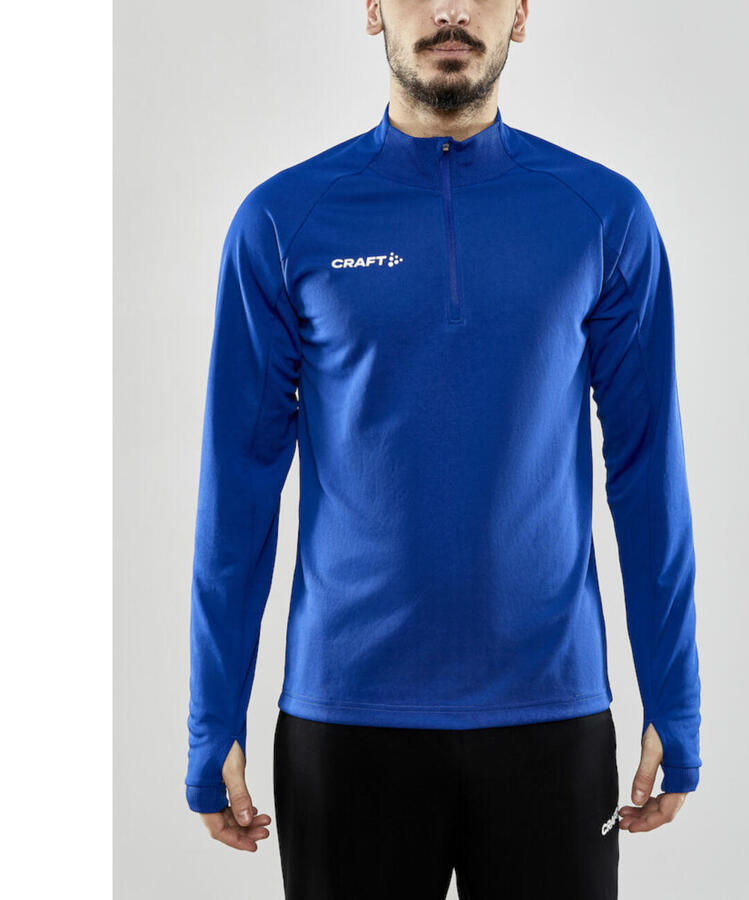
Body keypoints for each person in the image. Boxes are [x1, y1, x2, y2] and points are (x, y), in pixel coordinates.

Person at [184, 2, 702, 897]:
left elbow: (650, 474)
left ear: (522, 14)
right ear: (374, 9)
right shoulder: (282, 220)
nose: (453, 10)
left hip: (552, 715)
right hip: (345, 723)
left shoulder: (603, 216)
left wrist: (675, 698)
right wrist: (211, 719)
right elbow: (236, 493)